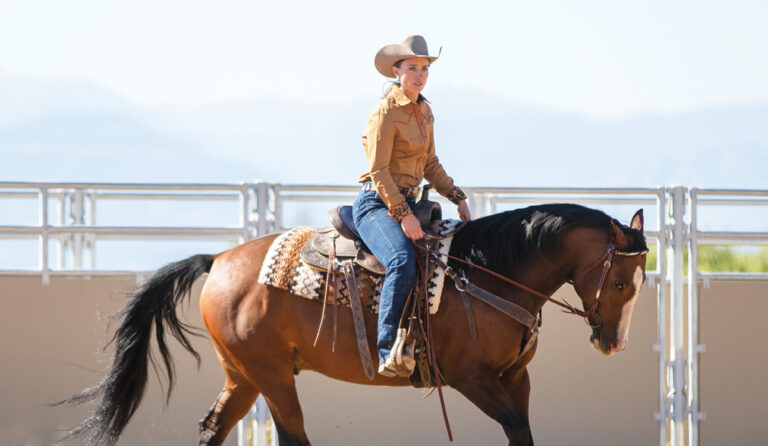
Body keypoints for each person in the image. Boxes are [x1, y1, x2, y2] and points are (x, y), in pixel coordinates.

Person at [353, 35, 472, 377]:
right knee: (402, 260)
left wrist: (457, 197)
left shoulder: (425, 111)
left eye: (424, 69)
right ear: (396, 71)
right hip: (376, 202)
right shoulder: (385, 113)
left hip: (407, 199)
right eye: (412, 69)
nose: (419, 75)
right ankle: (387, 350)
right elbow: (378, 171)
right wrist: (403, 216)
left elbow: (430, 163)